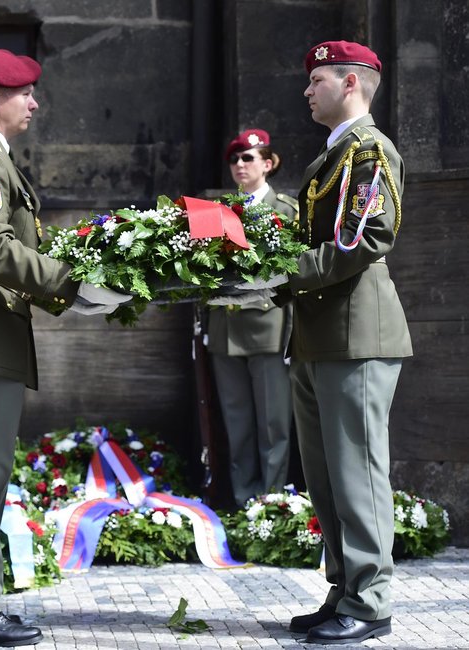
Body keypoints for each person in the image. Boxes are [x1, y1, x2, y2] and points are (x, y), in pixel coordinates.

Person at [0, 49, 130, 647]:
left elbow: (12, 244)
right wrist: (72, 283)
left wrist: (78, 274)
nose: (33, 104)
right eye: (25, 94)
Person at [268, 41, 410, 644]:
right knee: (326, 475)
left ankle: (371, 600)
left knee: (358, 472)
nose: (306, 90)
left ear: (350, 82)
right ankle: (346, 588)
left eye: (316, 80)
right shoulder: (330, 157)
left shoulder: (370, 151)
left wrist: (284, 271)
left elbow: (364, 239)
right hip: (319, 333)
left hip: (356, 333)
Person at [206, 129, 296, 507]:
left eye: (249, 157)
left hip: (268, 328)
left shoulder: (285, 209)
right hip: (226, 328)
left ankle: (271, 505)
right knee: (237, 425)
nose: (240, 165)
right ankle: (246, 505)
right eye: (235, 159)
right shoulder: (215, 212)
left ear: (268, 163)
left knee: (273, 425)